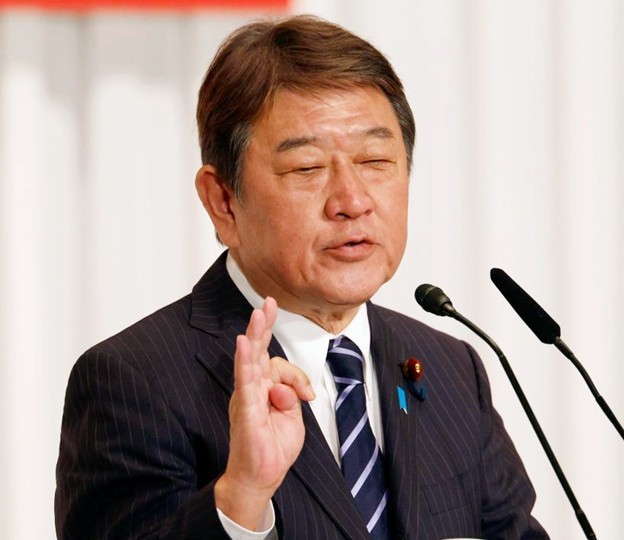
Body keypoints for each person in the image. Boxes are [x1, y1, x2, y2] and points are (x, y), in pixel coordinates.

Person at [55, 15, 548, 540]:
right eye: (307, 168)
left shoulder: (451, 369)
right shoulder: (134, 381)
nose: (352, 201)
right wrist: (240, 498)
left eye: (375, 160)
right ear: (223, 202)